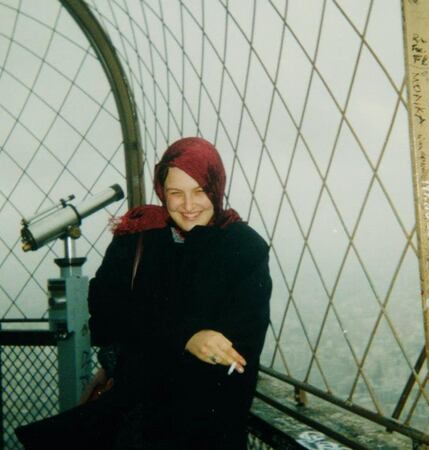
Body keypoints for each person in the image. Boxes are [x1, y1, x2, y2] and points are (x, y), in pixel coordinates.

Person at [16, 137, 272, 449]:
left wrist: (147, 335)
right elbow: (105, 315)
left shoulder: (244, 247)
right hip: (137, 426)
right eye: (176, 193)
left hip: (203, 429)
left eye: (200, 191)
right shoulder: (138, 237)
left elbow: (239, 349)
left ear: (216, 188)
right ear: (162, 191)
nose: (189, 206)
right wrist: (187, 336)